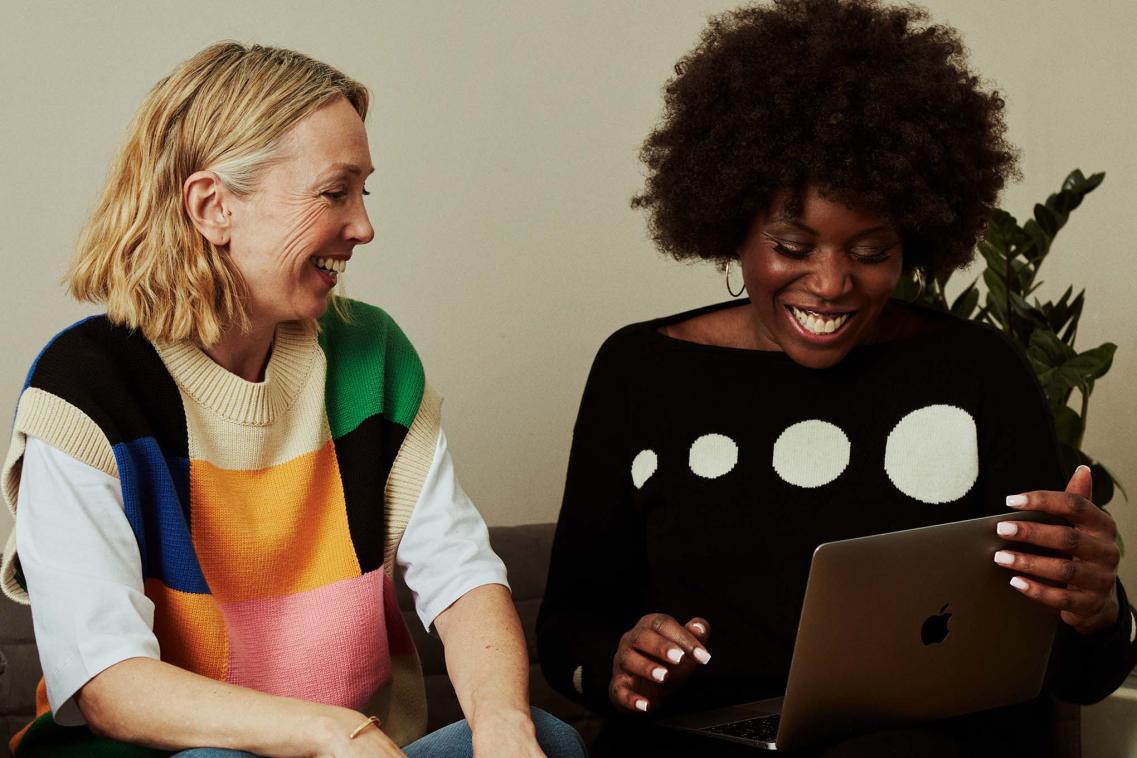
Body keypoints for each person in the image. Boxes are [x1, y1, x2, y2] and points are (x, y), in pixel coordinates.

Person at [536, 1, 1137, 755]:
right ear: (730, 228)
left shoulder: (975, 370)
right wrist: (620, 664)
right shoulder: (640, 371)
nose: (830, 283)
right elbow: (568, 632)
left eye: (869, 250)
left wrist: (1095, 610)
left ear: (913, 240)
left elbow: (1079, 676)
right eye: (792, 244)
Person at [1, 43, 586, 758]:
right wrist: (328, 729)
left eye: (363, 192)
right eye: (334, 192)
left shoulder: (371, 354)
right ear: (214, 206)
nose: (363, 227)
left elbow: (460, 576)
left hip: (352, 749)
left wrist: (503, 725)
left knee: (549, 739)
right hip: (167, 755)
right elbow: (108, 683)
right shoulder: (85, 385)